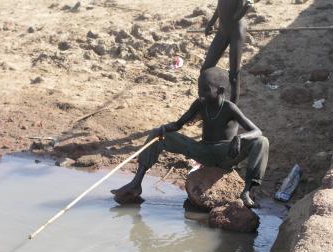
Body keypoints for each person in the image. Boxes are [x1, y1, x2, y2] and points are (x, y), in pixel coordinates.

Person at [111, 67, 268, 208]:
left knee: (262, 142)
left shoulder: (229, 108)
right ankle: (136, 183)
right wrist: (163, 129)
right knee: (157, 134)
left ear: (220, 90)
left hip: (225, 155)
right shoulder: (200, 104)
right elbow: (179, 124)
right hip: (203, 151)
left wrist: (240, 138)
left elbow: (257, 131)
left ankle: (247, 191)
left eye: (205, 89)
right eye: (199, 88)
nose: (200, 93)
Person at [202, 0, 252, 104]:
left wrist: (245, 8)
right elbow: (220, 6)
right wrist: (211, 23)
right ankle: (210, 101)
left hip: (236, 33)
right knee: (205, 69)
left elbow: (236, 17)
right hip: (222, 31)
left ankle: (233, 109)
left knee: (233, 75)